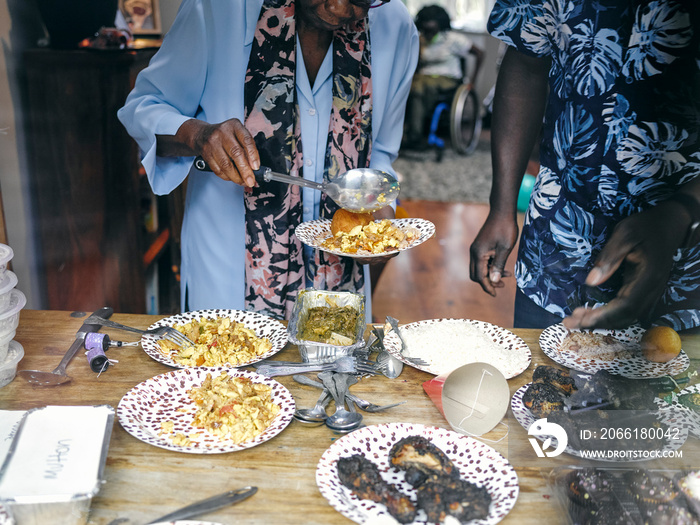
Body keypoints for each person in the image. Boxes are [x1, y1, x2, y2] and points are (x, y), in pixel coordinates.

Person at [118, 0, 419, 320]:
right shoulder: (217, 7)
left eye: (361, 0)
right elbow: (144, 108)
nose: (340, 8)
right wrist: (198, 135)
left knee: (331, 368)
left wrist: (379, 229)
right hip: (230, 276)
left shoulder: (395, 26)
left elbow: (381, 153)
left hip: (338, 289)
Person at [469, 0, 700, 331]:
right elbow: (524, 62)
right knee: (545, 378)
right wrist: (502, 206)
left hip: (683, 259)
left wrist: (683, 210)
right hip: (556, 239)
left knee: (671, 379)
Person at [403, 4, 484, 150]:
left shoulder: (453, 39)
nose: (428, 33)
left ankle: (415, 135)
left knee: (420, 87)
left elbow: (479, 54)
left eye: (431, 30)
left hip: (447, 78)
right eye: (425, 29)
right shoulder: (420, 40)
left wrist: (472, 81)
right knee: (408, 86)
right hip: (423, 77)